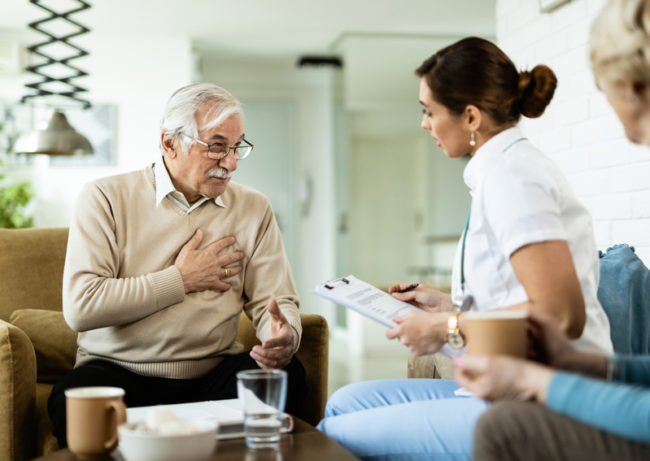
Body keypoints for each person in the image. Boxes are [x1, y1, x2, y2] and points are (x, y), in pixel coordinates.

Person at [317, 37, 613, 460]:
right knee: (344, 403)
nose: (424, 124)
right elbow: (517, 293)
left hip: (548, 399)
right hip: (509, 380)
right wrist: (446, 305)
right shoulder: (499, 171)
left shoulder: (513, 177)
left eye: (429, 111)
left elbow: (561, 314)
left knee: (335, 434)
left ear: (470, 116)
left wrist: (447, 326)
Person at [48, 82, 307, 447]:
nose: (230, 163)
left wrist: (284, 335)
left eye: (237, 148)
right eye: (217, 147)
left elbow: (275, 302)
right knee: (72, 398)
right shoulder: (104, 197)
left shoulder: (254, 208)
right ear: (170, 143)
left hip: (213, 375)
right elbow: (81, 307)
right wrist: (180, 279)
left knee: (288, 374)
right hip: (120, 373)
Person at [455, 1, 650, 459]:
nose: (628, 134)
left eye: (610, 95)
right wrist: (585, 364)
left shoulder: (512, 172)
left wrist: (536, 379)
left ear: (636, 89)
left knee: (503, 428)